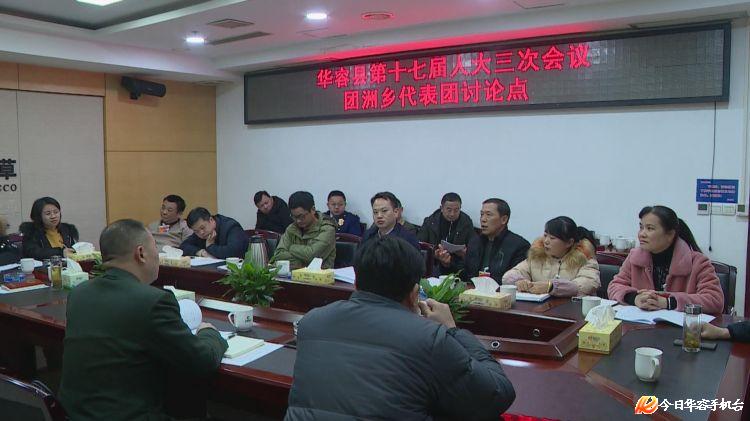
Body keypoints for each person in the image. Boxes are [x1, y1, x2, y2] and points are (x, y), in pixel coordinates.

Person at [286, 236, 516, 420]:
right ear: (415, 294)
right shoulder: (429, 337)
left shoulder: (312, 322)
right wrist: (451, 329)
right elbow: (496, 395)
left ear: (356, 283)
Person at [59, 219, 228, 421]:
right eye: (155, 248)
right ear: (141, 253)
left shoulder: (79, 293)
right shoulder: (153, 301)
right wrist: (209, 333)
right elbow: (201, 361)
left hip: (73, 414)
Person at [608, 205, 724, 314]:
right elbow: (614, 286)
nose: (642, 234)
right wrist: (635, 298)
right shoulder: (634, 257)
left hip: (679, 326)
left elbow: (715, 300)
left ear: (670, 235)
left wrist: (669, 302)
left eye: (650, 228)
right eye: (641, 227)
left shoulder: (698, 262)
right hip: (640, 324)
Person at [503, 216, 600, 297]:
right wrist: (519, 281)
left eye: (552, 238)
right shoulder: (537, 256)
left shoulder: (585, 259)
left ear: (569, 242)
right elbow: (509, 276)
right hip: (540, 309)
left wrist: (552, 287)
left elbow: (588, 284)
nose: (546, 241)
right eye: (545, 235)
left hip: (572, 310)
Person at [461, 198, 530, 283]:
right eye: (481, 214)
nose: (483, 219)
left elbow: (513, 281)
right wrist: (448, 264)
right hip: (472, 290)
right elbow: (465, 275)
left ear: (504, 219)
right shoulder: (474, 242)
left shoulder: (519, 246)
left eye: (488, 215)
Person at [271, 191, 336, 269]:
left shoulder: (327, 229)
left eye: (301, 216)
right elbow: (278, 255)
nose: (298, 220)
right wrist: (302, 262)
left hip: (319, 275)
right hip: (292, 274)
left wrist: (291, 247)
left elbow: (313, 256)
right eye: (294, 217)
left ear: (313, 210)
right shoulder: (292, 228)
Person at [420, 192, 477, 274]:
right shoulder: (430, 221)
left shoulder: (466, 223)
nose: (452, 214)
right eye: (449, 210)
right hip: (433, 263)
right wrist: (434, 253)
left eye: (456, 210)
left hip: (456, 265)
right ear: (441, 208)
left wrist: (465, 253)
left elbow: (473, 248)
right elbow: (420, 244)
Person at [180, 207, 248, 259]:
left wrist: (210, 247)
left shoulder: (231, 226)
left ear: (211, 220)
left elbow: (233, 251)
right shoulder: (199, 232)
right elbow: (184, 246)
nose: (201, 233)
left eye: (202, 228)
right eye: (196, 231)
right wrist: (201, 252)